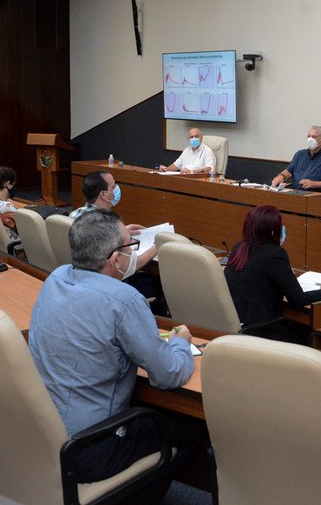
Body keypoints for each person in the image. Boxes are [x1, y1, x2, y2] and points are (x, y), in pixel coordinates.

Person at [29, 209, 196, 489]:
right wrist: (181, 342)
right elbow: (168, 375)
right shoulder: (125, 300)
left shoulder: (56, 278)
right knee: (193, 430)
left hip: (40, 432)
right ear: (115, 259)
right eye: (130, 246)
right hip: (88, 447)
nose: (133, 251)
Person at [224, 205, 321, 341]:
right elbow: (298, 300)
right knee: (304, 332)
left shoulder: (238, 248)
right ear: (271, 230)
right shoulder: (275, 254)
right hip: (262, 330)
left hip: (236, 326)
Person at [70, 170, 154, 271]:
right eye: (113, 186)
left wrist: (122, 232)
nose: (117, 189)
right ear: (103, 195)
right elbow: (126, 267)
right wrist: (157, 247)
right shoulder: (105, 224)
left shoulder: (73, 216)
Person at [271, 125, 321, 191]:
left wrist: (314, 184)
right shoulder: (300, 154)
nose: (310, 139)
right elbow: (289, 171)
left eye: (314, 137)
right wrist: (281, 176)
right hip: (295, 193)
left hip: (315, 196)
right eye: (309, 136)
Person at [0, 166, 19, 241]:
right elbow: (21, 229)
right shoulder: (7, 207)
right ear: (7, 184)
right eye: (13, 184)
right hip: (14, 246)